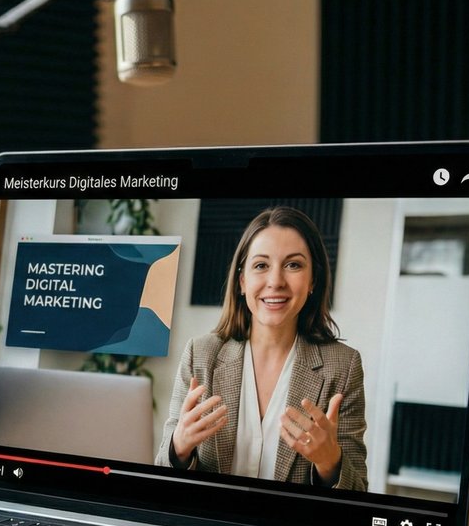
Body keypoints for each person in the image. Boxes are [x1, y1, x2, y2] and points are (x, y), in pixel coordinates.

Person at [156, 207, 368, 491]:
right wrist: (179, 448)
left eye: (293, 265)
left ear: (313, 281)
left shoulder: (343, 367)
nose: (276, 281)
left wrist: (330, 463)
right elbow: (161, 475)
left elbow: (358, 491)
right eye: (261, 265)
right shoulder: (200, 354)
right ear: (242, 281)